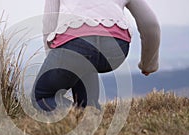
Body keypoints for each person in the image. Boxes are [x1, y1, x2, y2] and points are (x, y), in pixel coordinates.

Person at [32, 0, 160, 112]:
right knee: (83, 60)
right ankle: (89, 108)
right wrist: (149, 64)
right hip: (116, 49)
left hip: (74, 44)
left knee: (42, 96)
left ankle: (76, 116)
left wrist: (54, 62)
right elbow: (150, 25)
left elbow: (49, 22)